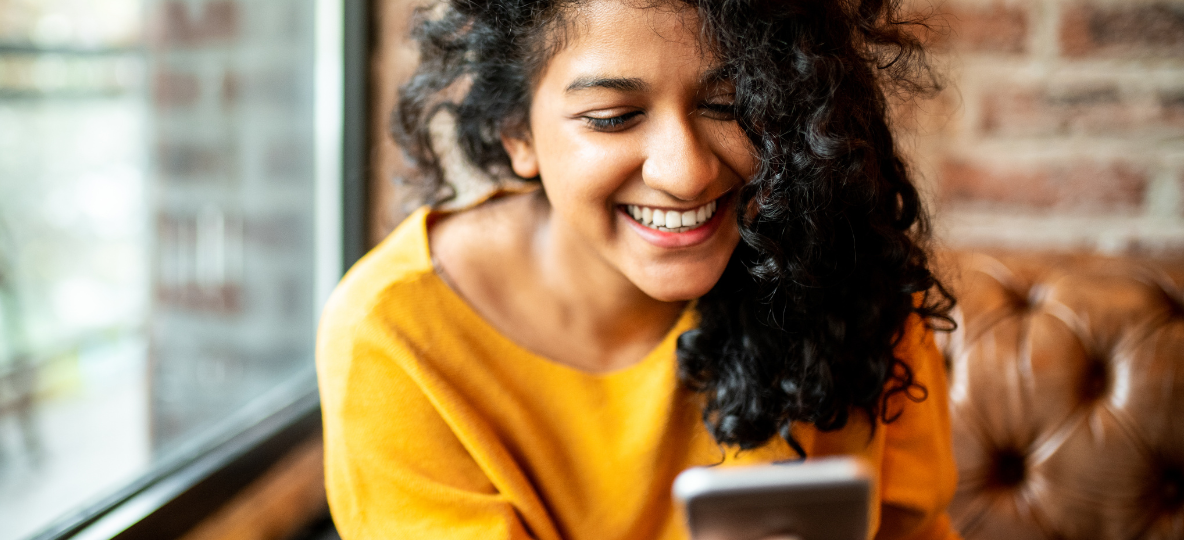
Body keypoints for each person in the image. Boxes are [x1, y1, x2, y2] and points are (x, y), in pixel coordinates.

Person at [316, 0, 959, 538]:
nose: (685, 174)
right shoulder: (396, 337)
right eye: (613, 118)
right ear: (517, 132)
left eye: (731, 104)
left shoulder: (844, 268)